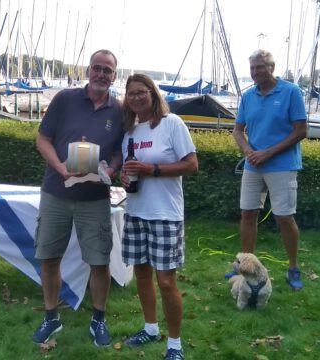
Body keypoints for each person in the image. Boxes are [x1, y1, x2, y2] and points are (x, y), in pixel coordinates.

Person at [32, 49, 123, 347]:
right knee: (49, 256)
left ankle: (98, 319)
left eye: (107, 70)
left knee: (99, 261)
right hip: (56, 193)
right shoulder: (64, 99)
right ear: (87, 70)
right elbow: (42, 138)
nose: (101, 74)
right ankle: (51, 316)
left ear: (114, 75)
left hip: (95, 198)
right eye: (97, 68)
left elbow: (120, 151)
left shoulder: (119, 111)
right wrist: (60, 169)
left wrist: (111, 168)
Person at [120, 74, 198, 360]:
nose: (137, 98)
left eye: (142, 92)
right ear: (126, 99)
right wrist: (124, 179)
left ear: (153, 94)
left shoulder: (171, 124)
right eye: (131, 94)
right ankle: (150, 328)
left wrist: (151, 170)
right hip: (136, 211)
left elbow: (192, 165)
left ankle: (175, 345)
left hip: (165, 214)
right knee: (141, 274)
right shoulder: (129, 131)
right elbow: (128, 170)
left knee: (166, 281)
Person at [229, 49, 307, 291]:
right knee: (248, 214)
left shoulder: (291, 92)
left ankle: (293, 267)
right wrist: (248, 151)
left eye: (260, 68)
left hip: (282, 166)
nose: (255, 73)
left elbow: (301, 130)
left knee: (284, 217)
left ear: (272, 68)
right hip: (254, 165)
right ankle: (246, 266)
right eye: (252, 68)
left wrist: (267, 153)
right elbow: (238, 130)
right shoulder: (248, 96)